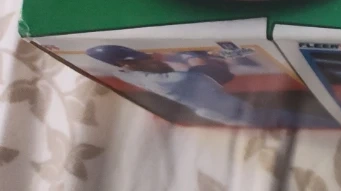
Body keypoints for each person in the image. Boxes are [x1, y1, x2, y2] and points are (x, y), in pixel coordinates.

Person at [85, 44, 271, 126]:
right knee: (274, 118)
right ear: (124, 63)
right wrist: (189, 58)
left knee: (199, 64)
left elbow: (157, 66)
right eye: (139, 59)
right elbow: (183, 76)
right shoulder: (156, 80)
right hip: (222, 108)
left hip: (211, 97)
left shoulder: (125, 71)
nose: (148, 59)